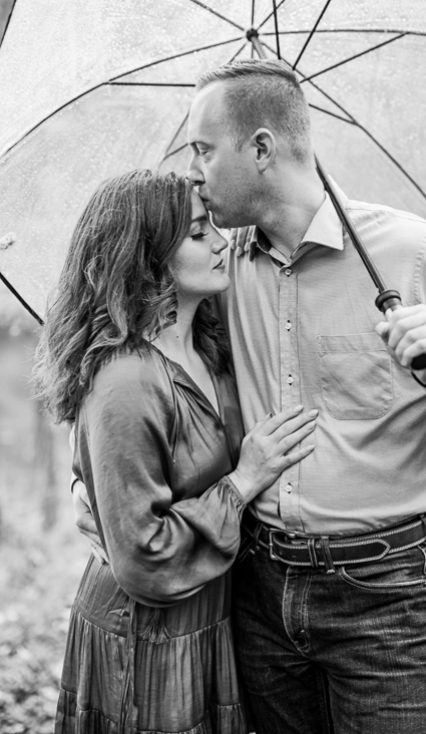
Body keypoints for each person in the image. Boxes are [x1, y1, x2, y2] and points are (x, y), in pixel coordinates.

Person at [186, 58, 426, 732]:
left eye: (204, 150)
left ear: (261, 147)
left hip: (381, 592)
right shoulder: (217, 268)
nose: (194, 171)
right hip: (257, 583)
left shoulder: (412, 254)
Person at [35, 170, 317, 733]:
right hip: (147, 634)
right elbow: (143, 558)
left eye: (212, 224)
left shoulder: (212, 345)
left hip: (211, 618)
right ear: (147, 257)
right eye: (196, 232)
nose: (219, 241)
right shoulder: (126, 381)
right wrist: (245, 480)